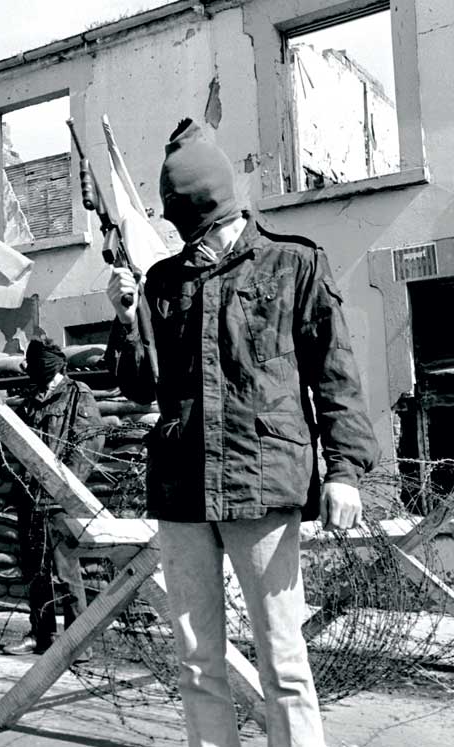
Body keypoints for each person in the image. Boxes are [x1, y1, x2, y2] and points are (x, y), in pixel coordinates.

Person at [106, 118, 378, 746]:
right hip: (181, 492)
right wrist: (125, 318)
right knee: (198, 662)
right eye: (186, 233)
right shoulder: (164, 283)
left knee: (283, 661)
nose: (195, 244)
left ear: (223, 211)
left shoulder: (295, 264)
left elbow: (335, 376)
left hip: (262, 485)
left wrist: (343, 471)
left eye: (203, 230)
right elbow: (142, 386)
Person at [3, 336, 105, 655]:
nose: (32, 369)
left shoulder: (77, 394)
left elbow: (90, 444)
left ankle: (79, 643)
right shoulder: (31, 400)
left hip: (60, 500)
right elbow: (18, 445)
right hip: (31, 498)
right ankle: (40, 634)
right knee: (36, 572)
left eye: (37, 363)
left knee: (66, 572)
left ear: (53, 362)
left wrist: (64, 487)